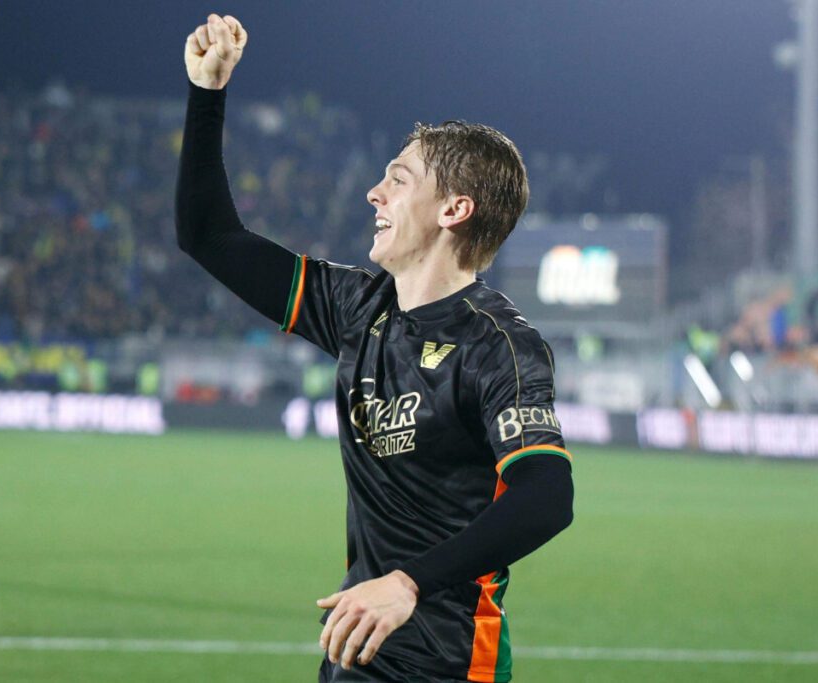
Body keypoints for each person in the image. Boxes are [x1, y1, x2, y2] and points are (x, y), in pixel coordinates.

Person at [177, 14, 575, 682]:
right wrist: (206, 92)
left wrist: (409, 583)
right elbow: (208, 236)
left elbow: (547, 494)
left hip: (448, 662)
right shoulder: (357, 308)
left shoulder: (498, 343)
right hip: (356, 648)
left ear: (453, 210)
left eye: (398, 178)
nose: (374, 192)